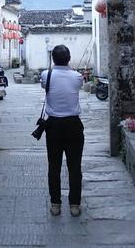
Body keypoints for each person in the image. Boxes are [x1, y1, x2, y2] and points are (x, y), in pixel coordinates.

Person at [40, 45, 84, 217]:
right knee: (75, 166)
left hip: (53, 126)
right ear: (69, 58)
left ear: (53, 59)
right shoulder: (77, 76)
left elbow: (44, 87)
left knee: (54, 166)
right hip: (73, 125)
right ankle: (74, 205)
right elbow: (77, 86)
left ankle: (55, 204)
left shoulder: (46, 75)